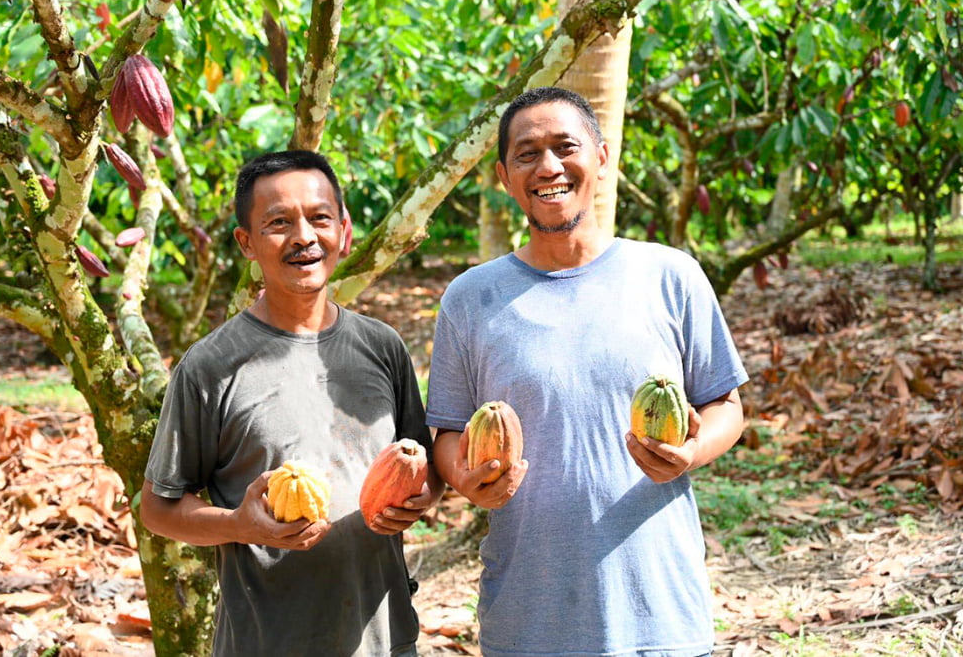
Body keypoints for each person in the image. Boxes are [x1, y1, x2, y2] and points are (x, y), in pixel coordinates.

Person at [426, 87, 748, 657]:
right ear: (505, 175)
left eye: (565, 147)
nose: (548, 166)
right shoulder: (469, 299)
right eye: (527, 154)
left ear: (602, 158)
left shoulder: (671, 277)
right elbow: (449, 433)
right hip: (528, 619)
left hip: (660, 614)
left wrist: (691, 453)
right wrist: (466, 478)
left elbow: (726, 406)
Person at [141, 150, 444, 656]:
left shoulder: (382, 346)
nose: (304, 236)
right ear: (247, 243)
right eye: (278, 222)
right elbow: (159, 507)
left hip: (382, 637)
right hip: (266, 640)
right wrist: (239, 524)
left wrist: (419, 498)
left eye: (319, 218)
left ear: (343, 231)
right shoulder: (211, 366)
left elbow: (426, 467)